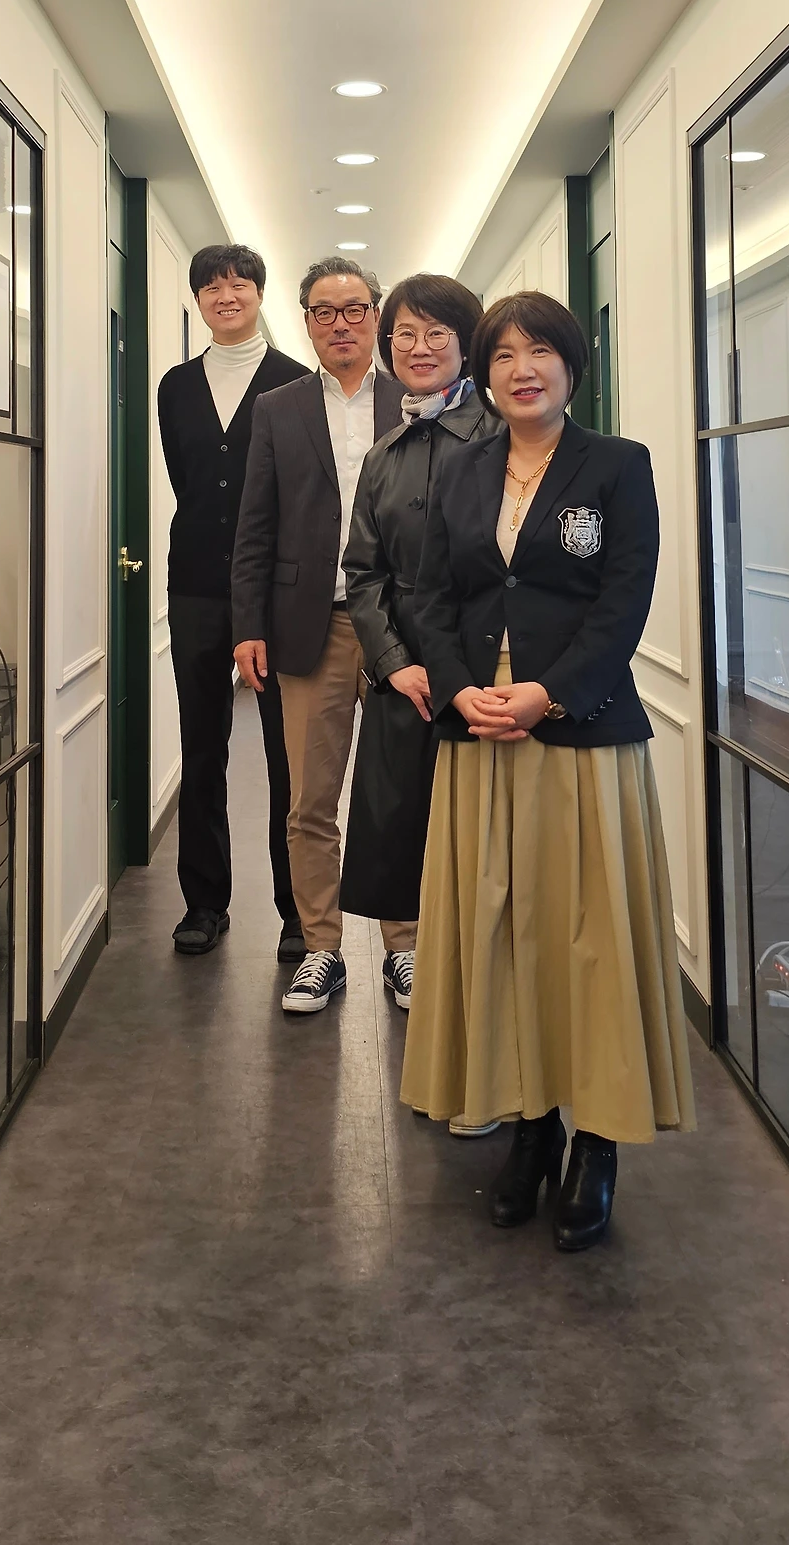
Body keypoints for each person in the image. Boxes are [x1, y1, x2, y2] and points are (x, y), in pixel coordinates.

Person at [403, 290, 694, 1251]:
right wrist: (458, 688)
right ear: (483, 372)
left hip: (577, 732)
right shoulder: (461, 467)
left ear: (572, 363)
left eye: (540, 351)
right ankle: (530, 1126)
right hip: (481, 733)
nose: (521, 369)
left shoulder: (617, 465)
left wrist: (550, 693)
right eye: (503, 354)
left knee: (588, 936)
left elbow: (624, 599)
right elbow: (430, 596)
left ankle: (596, 1141)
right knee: (502, 930)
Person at [232, 257, 405, 1012]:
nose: (341, 323)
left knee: (400, 794)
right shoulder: (278, 408)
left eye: (355, 308)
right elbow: (254, 523)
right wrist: (248, 624)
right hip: (313, 624)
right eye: (325, 311)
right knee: (309, 800)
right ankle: (320, 948)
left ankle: (406, 946)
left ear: (377, 316)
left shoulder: (415, 399)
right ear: (305, 322)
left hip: (402, 627)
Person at [341, 275, 496, 1051]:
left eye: (437, 332)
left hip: (488, 676)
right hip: (405, 680)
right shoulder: (385, 454)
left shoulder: (502, 435)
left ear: (467, 343)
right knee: (404, 831)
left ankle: (481, 979)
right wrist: (395, 661)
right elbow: (362, 572)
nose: (419, 347)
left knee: (481, 840)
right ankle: (411, 960)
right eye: (404, 333)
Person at [157, 245, 308, 960]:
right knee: (201, 744)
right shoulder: (176, 386)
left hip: (273, 591)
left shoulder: (295, 381)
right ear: (198, 300)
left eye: (239, 284)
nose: (226, 295)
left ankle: (297, 911)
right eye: (212, 286)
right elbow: (186, 478)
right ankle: (204, 902)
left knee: (285, 753)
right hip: (193, 584)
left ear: (258, 295)